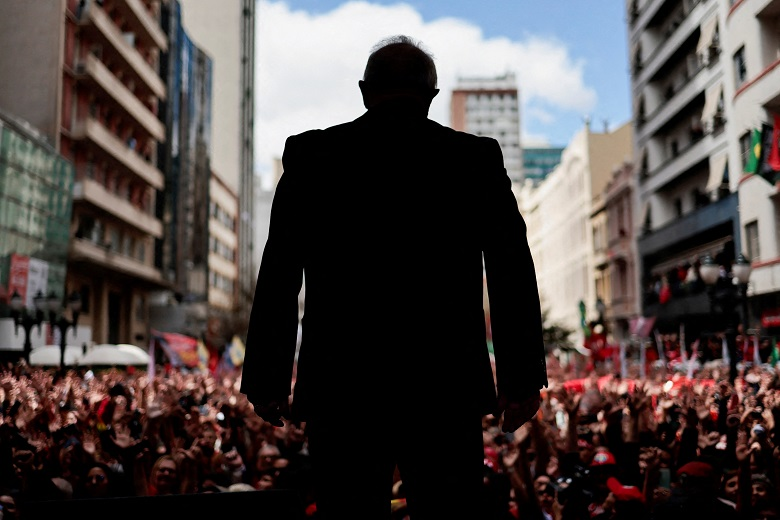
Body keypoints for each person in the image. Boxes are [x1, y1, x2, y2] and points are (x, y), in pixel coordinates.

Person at [240, 34, 547, 519]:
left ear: (365, 92)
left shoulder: (312, 156)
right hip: (444, 385)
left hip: (343, 386)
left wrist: (267, 377)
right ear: (431, 96)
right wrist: (522, 376)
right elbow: (511, 268)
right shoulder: (473, 159)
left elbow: (280, 270)